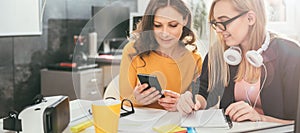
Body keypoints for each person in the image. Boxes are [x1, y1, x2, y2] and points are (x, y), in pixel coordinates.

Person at [176, 0, 300, 124]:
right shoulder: (220, 53)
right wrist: (193, 101)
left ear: (250, 18)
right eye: (216, 23)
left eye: (224, 21)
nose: (218, 30)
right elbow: (203, 90)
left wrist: (261, 119)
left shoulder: (290, 54)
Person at [119, 0, 202, 111]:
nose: (165, 33)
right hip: (140, 124)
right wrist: (136, 99)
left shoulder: (194, 59)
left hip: (176, 125)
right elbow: (124, 99)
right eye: (157, 25)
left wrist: (184, 104)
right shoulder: (132, 51)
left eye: (172, 25)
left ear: (185, 20)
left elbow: (198, 103)